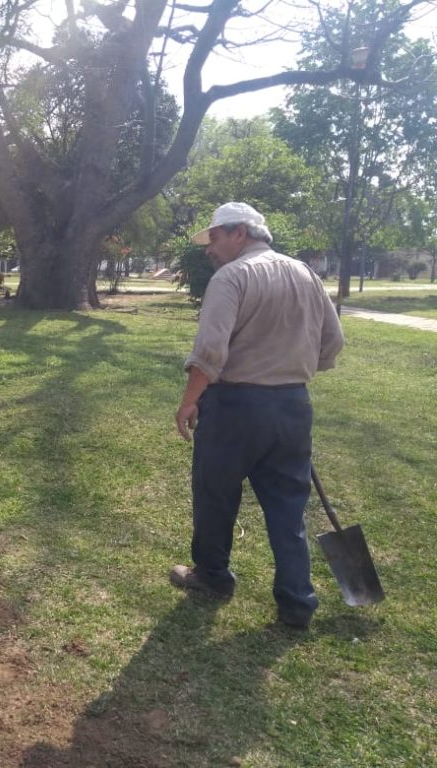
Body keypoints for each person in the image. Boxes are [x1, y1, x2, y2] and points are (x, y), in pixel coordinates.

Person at [171, 202, 344, 629]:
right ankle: (297, 602)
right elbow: (332, 342)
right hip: (292, 407)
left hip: (234, 407)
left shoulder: (232, 277)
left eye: (214, 238)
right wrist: (288, 372)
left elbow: (210, 351)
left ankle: (212, 576)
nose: (209, 249)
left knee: (215, 494)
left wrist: (189, 400)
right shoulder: (306, 273)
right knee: (288, 506)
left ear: (239, 234)